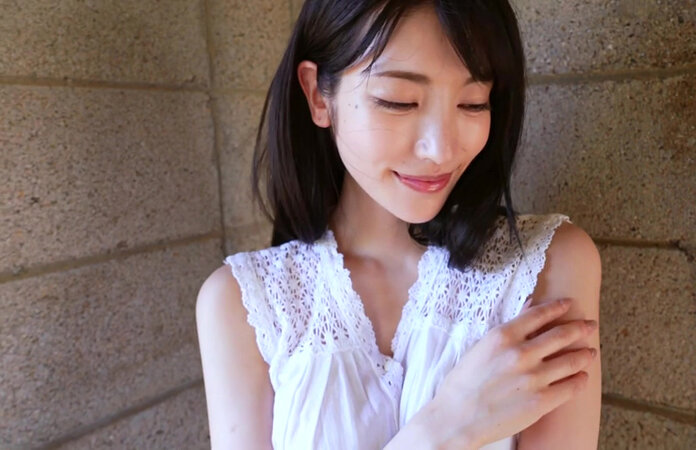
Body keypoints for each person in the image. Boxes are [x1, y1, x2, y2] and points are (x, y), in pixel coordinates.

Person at [195, 0, 601, 449]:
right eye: (399, 101)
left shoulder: (547, 265)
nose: (440, 150)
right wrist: (447, 428)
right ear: (317, 95)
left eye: (472, 103)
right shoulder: (244, 303)